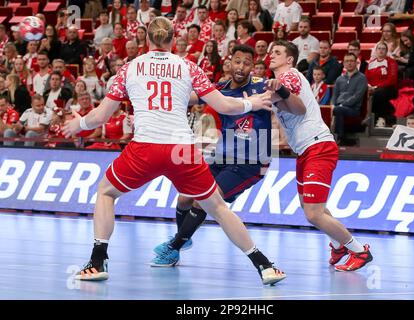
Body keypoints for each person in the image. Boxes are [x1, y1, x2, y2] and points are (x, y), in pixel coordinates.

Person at [62, 17, 286, 285]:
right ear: (172, 39)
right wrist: (251, 102)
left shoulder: (130, 68)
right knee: (217, 207)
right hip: (182, 150)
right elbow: (225, 105)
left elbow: (100, 116)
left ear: (147, 39)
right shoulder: (188, 67)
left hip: (145, 148)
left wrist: (78, 124)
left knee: (106, 192)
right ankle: (264, 265)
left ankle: (97, 262)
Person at [151, 44, 291, 266]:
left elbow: (285, 97)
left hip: (251, 161)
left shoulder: (262, 86)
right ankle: (182, 239)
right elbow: (190, 98)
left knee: (204, 200)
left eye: (246, 63)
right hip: (221, 157)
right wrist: (163, 92)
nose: (241, 67)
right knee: (185, 196)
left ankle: (174, 246)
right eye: (237, 61)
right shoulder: (220, 89)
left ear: (252, 66)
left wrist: (280, 88)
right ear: (230, 62)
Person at [268, 40, 373, 271]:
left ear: (289, 59)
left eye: (277, 52)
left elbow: (277, 99)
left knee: (313, 213)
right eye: (270, 52)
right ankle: (338, 246)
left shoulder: (290, 76)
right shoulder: (277, 83)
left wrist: (246, 96)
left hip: (318, 146)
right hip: (304, 150)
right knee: (313, 209)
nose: (271, 55)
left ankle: (359, 250)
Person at [332, 53, 368, 145]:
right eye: (347, 61)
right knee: (332, 110)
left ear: (356, 63)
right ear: (343, 63)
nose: (349, 63)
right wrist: (333, 105)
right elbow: (334, 96)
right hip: (339, 107)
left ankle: (340, 138)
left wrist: (342, 104)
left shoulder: (362, 78)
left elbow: (357, 96)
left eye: (351, 61)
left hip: (354, 109)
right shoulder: (339, 79)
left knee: (338, 110)